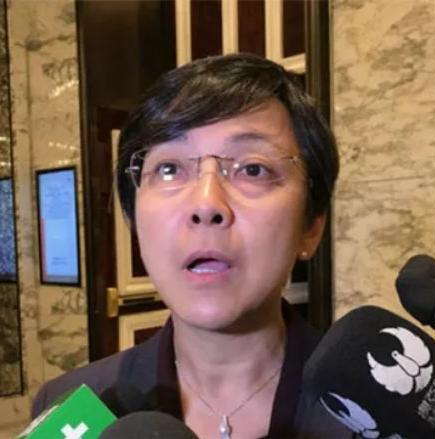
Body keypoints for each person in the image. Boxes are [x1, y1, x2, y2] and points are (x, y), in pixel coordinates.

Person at [32, 53, 352, 438]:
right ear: (134, 219)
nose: (206, 204)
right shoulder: (69, 413)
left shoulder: (382, 413)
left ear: (311, 226)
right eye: (169, 168)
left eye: (253, 169)